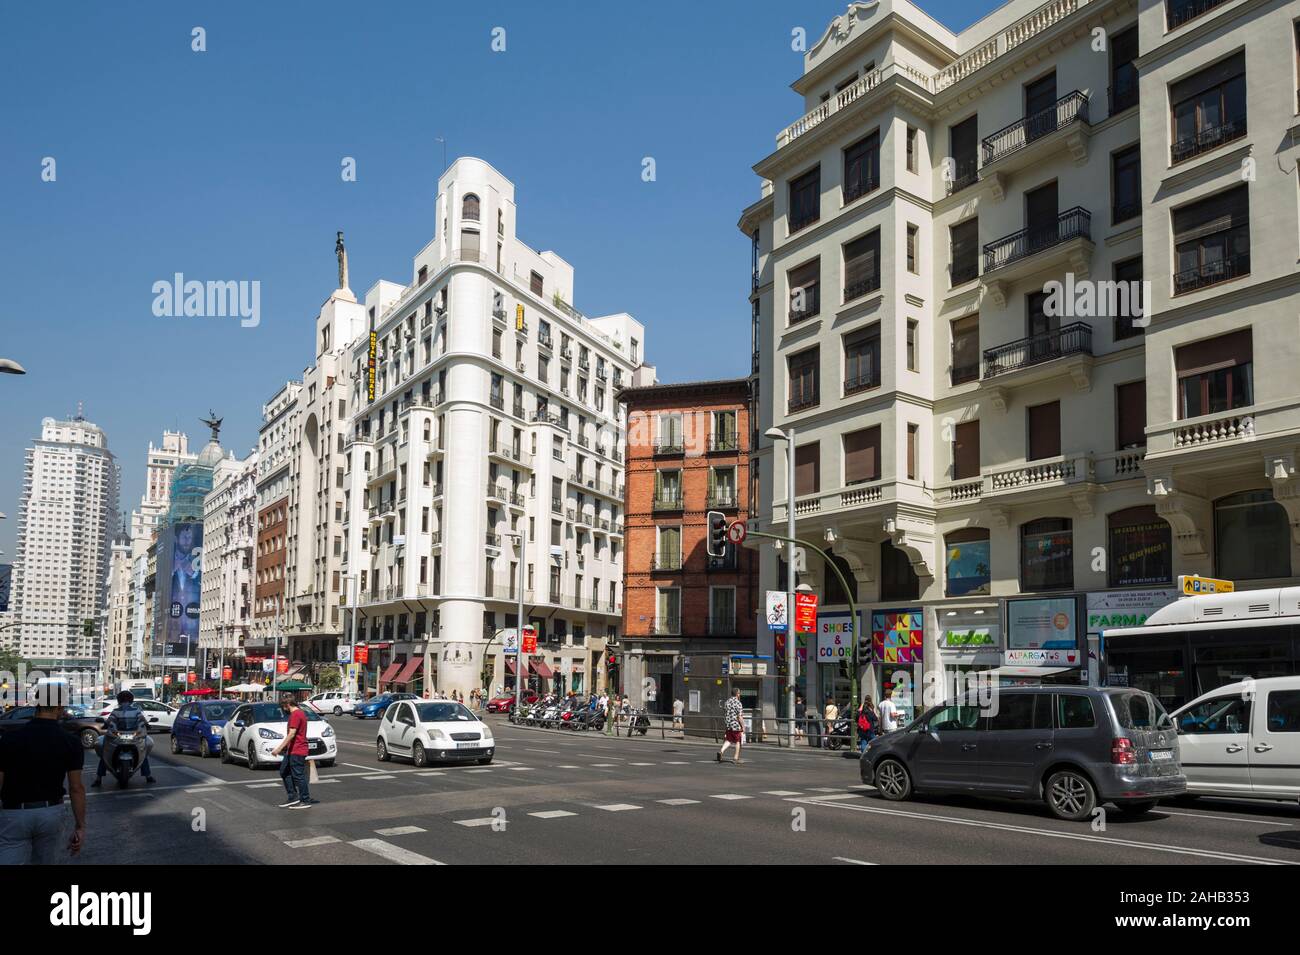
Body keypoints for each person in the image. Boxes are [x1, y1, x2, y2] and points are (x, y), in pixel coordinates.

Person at [0, 681, 87, 864]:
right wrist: (80, 826)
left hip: (13, 813)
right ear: (60, 707)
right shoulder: (70, 742)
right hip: (51, 813)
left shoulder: (10, 738)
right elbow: (76, 788)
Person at [91, 691, 155, 786]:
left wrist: (105, 725)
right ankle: (148, 776)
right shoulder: (136, 710)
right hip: (130, 735)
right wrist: (147, 725)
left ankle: (98, 779)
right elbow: (142, 719)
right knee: (143, 754)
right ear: (131, 700)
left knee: (105, 755)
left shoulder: (116, 711)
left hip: (123, 735)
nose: (125, 701)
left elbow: (109, 721)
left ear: (119, 700)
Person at [271, 693, 314, 809]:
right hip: (292, 750)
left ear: (288, 704)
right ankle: (293, 796)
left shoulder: (296, 714)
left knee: (298, 775)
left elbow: (292, 734)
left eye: (284, 706)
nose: (283, 709)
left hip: (297, 750)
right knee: (284, 771)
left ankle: (305, 799)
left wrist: (279, 748)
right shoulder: (299, 713)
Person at [716, 688, 745, 764]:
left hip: (728, 724)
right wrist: (743, 726)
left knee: (728, 740)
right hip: (736, 725)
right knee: (738, 741)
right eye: (739, 693)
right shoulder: (738, 703)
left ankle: (721, 751)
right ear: (737, 694)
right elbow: (739, 716)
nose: (739, 695)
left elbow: (725, 713)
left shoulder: (727, 702)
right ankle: (735, 758)